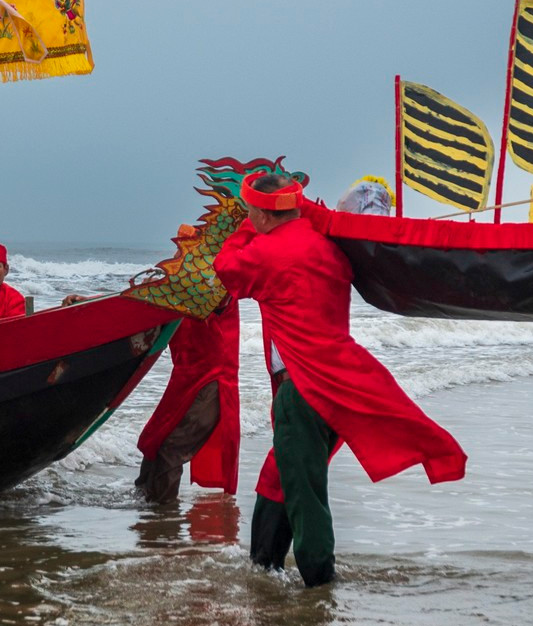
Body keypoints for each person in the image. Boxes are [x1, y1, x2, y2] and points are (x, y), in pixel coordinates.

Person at [218, 172, 467, 586]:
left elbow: (225, 269)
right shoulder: (327, 247)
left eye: (251, 212)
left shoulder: (266, 250)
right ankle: (263, 567)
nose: (248, 217)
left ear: (263, 215)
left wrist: (244, 229)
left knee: (304, 490)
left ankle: (319, 583)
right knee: (283, 474)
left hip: (304, 385)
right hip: (340, 379)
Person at [133, 298, 241, 503]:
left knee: (170, 449)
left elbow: (219, 298)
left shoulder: (213, 278)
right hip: (184, 378)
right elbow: (140, 302)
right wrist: (88, 303)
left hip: (212, 379)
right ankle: (145, 508)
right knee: (153, 442)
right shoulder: (178, 278)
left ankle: (161, 521)